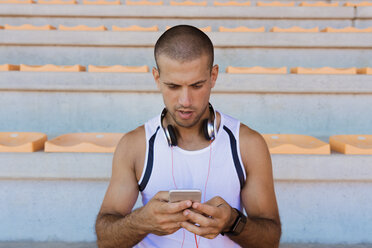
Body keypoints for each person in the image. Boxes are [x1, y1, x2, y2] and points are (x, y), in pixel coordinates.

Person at [95, 24, 281, 248]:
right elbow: (105, 240)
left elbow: (270, 240)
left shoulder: (248, 145)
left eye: (196, 85)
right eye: (173, 86)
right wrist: (141, 221)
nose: (185, 101)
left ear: (213, 76)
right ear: (156, 78)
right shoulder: (134, 146)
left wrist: (233, 222)